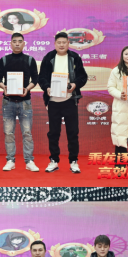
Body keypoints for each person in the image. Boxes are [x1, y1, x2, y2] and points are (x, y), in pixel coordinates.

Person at [38, 32, 88, 174]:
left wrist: (75, 85)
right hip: (53, 101)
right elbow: (42, 78)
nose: (61, 45)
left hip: (70, 100)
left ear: (68, 43)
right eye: (59, 42)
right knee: (53, 133)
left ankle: (74, 161)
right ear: (55, 44)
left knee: (72, 132)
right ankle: (54, 160)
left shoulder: (74, 58)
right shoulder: (49, 57)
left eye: (64, 42)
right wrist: (47, 88)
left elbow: (83, 77)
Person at [0, 32, 40, 172]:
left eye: (20, 41)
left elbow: (35, 79)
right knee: (8, 133)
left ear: (24, 43)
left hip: (25, 102)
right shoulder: (4, 60)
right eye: (14, 41)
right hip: (8, 101)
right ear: (10, 43)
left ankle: (29, 161)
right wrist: (4, 87)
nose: (17, 44)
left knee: (27, 132)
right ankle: (10, 160)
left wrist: (27, 89)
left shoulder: (30, 60)